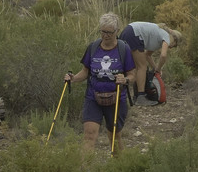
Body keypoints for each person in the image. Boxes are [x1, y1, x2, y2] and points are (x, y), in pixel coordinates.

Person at [65, 12, 135, 153]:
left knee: (114, 137)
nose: (105, 36)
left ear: (117, 31)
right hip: (93, 97)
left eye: (109, 32)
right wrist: (73, 79)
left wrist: (125, 80)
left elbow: (132, 74)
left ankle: (119, 169)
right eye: (103, 32)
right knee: (89, 135)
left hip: (116, 99)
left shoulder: (123, 49)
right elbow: (86, 71)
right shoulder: (93, 47)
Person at [125, 20, 175, 102]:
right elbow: (163, 55)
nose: (171, 47)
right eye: (174, 45)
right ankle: (141, 97)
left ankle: (136, 96)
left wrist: (155, 68)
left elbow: (147, 55)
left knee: (136, 67)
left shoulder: (158, 35)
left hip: (129, 30)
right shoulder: (166, 36)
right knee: (142, 67)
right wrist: (159, 69)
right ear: (174, 39)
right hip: (135, 34)